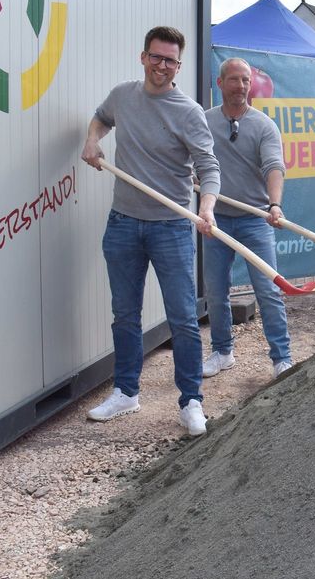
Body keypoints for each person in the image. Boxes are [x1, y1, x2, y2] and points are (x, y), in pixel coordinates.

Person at [81, 26, 219, 437]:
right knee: (125, 314)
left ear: (179, 66)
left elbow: (209, 168)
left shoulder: (188, 112)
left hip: (173, 227)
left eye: (170, 61)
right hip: (123, 222)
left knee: (182, 317)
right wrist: (92, 140)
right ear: (143, 57)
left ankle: (191, 401)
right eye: (156, 57)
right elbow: (102, 119)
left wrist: (206, 208)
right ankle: (126, 392)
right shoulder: (123, 96)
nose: (162, 66)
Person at [201, 58, 293, 380]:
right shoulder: (204, 121)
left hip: (255, 220)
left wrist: (275, 204)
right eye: (235, 80)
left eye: (246, 80)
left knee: (267, 290)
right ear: (220, 83)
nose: (241, 86)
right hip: (216, 220)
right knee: (215, 290)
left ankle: (282, 358)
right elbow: (190, 159)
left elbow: (274, 167)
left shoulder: (264, 125)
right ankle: (222, 351)